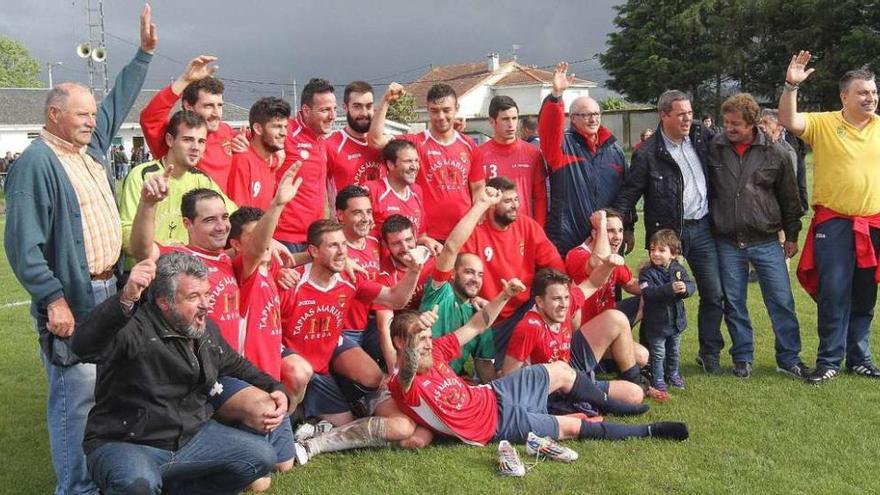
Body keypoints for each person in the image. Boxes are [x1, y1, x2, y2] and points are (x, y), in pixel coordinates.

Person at [3, 7, 156, 493]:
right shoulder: (36, 164)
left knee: (109, 390)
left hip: (110, 286)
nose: (94, 120)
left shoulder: (88, 148)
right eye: (82, 114)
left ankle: (104, 475)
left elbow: (117, 103)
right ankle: (76, 488)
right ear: (54, 115)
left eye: (93, 115)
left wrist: (145, 55)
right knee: (75, 398)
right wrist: (53, 299)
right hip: (76, 298)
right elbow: (23, 245)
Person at [71, 253, 288, 495]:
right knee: (137, 484)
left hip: (191, 438)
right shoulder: (134, 328)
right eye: (194, 297)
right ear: (165, 302)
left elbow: (236, 364)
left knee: (261, 457)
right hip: (127, 441)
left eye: (207, 293)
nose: (206, 304)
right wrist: (125, 299)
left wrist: (275, 388)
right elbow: (83, 347)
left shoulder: (204, 329)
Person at [387, 304, 690, 453]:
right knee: (571, 428)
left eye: (427, 337)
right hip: (494, 426)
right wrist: (418, 329)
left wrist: (503, 295)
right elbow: (409, 370)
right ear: (401, 344)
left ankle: (615, 406)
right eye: (420, 339)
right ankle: (650, 431)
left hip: (493, 392)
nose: (428, 343)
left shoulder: (436, 350)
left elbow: (477, 324)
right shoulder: (403, 383)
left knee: (559, 369)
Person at [779, 51, 880, 383]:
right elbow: (788, 122)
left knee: (865, 294)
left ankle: (859, 358)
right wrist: (791, 86)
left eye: (874, 92)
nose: (871, 98)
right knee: (834, 292)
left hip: (874, 224)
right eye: (863, 92)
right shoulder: (824, 123)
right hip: (835, 224)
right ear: (844, 96)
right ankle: (829, 361)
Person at [612, 89, 726, 375]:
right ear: (664, 115)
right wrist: (625, 227)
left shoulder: (702, 137)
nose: (688, 119)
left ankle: (709, 353)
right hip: (666, 237)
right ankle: (650, 361)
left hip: (702, 229)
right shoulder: (647, 153)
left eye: (690, 113)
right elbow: (629, 193)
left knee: (713, 293)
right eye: (681, 114)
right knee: (656, 296)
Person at [279, 219, 424, 427]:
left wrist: (414, 271)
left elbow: (395, 299)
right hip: (290, 364)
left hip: (322, 363)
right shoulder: (291, 281)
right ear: (313, 250)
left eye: (343, 244)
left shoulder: (350, 279)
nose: (342, 252)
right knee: (298, 375)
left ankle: (329, 402)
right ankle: (290, 417)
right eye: (333, 245)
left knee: (368, 384)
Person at [708, 93, 807, 379]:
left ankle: (788, 358)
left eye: (735, 123)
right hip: (727, 241)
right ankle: (742, 357)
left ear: (752, 123)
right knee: (734, 302)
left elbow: (790, 199)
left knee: (781, 302)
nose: (729, 127)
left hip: (766, 241)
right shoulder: (715, 147)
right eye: (726, 122)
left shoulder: (776, 152)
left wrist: (791, 236)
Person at [501, 267, 647, 406]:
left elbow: (593, 283)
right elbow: (509, 376)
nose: (564, 304)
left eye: (566, 297)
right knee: (633, 395)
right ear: (540, 302)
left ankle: (633, 379)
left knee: (616, 319)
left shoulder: (564, 305)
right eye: (557, 299)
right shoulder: (530, 327)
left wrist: (609, 264)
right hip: (553, 384)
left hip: (571, 366)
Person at [460, 176, 565, 361]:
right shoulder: (476, 231)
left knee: (563, 299)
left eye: (516, 199)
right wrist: (472, 297)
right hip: (491, 316)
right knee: (498, 375)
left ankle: (559, 356)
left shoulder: (527, 225)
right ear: (492, 205)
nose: (515, 205)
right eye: (507, 201)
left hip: (524, 307)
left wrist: (563, 291)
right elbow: (458, 273)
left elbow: (554, 263)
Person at [368, 82, 485, 241]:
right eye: (435, 111)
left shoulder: (470, 145)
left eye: (446, 110)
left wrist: (477, 223)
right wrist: (386, 101)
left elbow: (478, 190)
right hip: (428, 237)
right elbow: (375, 140)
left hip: (463, 234)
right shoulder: (415, 143)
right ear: (428, 110)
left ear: (456, 108)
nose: (441, 116)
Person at [119, 111, 235, 270]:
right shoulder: (143, 176)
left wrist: (263, 238)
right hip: (147, 274)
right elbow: (127, 235)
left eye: (201, 141)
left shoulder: (202, 179)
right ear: (170, 140)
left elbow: (234, 216)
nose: (196, 147)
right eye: (188, 140)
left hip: (185, 274)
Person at [538, 61, 628, 256]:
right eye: (586, 115)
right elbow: (548, 127)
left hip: (607, 241)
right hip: (568, 241)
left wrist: (627, 227)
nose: (593, 119)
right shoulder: (561, 146)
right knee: (571, 288)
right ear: (572, 118)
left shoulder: (615, 151)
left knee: (610, 286)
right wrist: (555, 97)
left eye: (596, 114)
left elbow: (625, 194)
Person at [140, 55, 247, 192]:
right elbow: (150, 117)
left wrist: (272, 155)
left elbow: (263, 142)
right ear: (188, 106)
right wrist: (184, 80)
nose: (217, 113)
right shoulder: (174, 136)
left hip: (225, 211)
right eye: (208, 106)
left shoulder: (225, 131)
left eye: (219, 105)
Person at [275, 78, 336, 252]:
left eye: (334, 109)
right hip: (284, 238)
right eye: (325, 110)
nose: (332, 116)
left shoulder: (321, 139)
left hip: (314, 237)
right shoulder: (285, 133)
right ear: (306, 111)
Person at [639, 230, 695, 395]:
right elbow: (648, 293)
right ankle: (658, 379)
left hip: (676, 322)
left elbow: (691, 285)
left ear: (673, 253)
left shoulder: (678, 270)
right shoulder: (646, 273)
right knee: (658, 353)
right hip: (656, 324)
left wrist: (686, 289)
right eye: (652, 249)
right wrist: (669, 289)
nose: (655, 253)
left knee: (674, 351)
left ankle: (673, 374)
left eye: (661, 250)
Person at [478, 95, 548, 226]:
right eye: (505, 119)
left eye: (514, 118)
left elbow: (540, 198)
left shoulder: (533, 153)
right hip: (492, 230)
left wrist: (538, 229)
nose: (511, 124)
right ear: (492, 121)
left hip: (524, 230)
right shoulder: (479, 155)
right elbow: (476, 197)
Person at [565, 208, 642, 325]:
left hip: (605, 323)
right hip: (583, 330)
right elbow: (599, 264)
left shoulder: (611, 255)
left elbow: (630, 284)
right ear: (595, 233)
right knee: (617, 319)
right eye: (610, 230)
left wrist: (662, 285)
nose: (618, 237)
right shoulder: (577, 255)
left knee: (652, 298)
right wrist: (601, 224)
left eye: (620, 230)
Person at [363, 139, 439, 253]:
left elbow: (420, 233)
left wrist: (425, 241)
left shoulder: (417, 191)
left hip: (409, 264)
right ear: (391, 165)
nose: (414, 167)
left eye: (416, 161)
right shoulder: (372, 190)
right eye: (408, 161)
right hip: (379, 265)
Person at [227, 97, 291, 210]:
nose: (284, 133)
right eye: (277, 126)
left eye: (285, 127)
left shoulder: (272, 161)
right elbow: (239, 218)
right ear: (258, 128)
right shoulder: (242, 161)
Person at [325, 81, 384, 200]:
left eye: (369, 106)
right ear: (345, 108)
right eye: (357, 106)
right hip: (345, 218)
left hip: (381, 218)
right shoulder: (331, 145)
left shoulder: (384, 143)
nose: (364, 113)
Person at [760, 109, 809, 213]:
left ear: (778, 126)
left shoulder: (787, 151)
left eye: (766, 123)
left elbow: (790, 184)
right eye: (760, 122)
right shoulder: (756, 146)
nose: (762, 127)